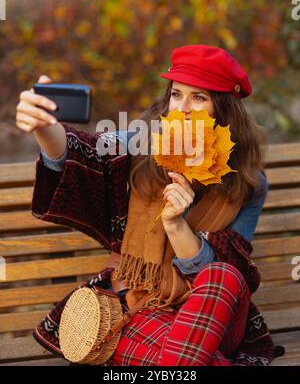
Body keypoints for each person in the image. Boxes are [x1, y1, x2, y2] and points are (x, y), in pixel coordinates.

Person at [16, 44, 284, 366]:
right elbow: (83, 152)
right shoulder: (142, 145)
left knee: (224, 274)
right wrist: (46, 129)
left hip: (214, 311)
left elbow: (224, 278)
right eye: (176, 94)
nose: (183, 107)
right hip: (144, 305)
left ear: (223, 109)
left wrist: (175, 225)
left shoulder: (249, 184)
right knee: (182, 357)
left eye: (199, 97)